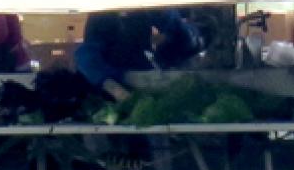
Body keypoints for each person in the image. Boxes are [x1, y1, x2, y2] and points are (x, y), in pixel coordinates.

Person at [74, 9, 204, 101]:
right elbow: (86, 56)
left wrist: (185, 36)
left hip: (144, 77)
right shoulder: (102, 15)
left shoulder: (147, 6)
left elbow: (180, 32)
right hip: (111, 85)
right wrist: (110, 85)